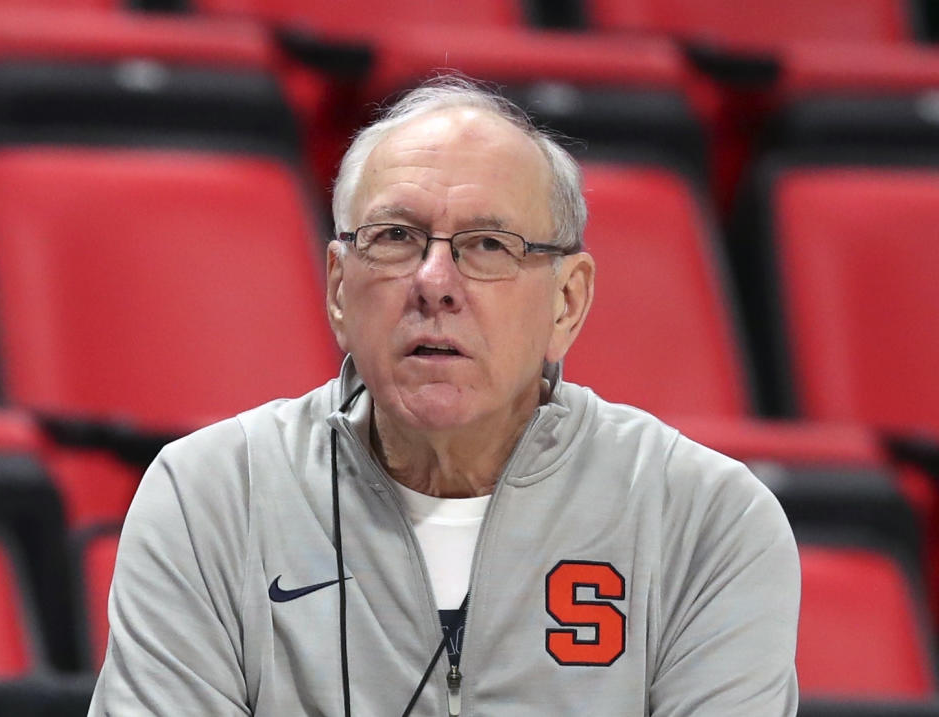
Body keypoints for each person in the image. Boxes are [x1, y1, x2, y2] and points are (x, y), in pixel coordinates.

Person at [89, 76, 799, 716]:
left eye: (489, 244)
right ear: (340, 288)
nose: (434, 281)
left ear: (567, 302)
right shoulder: (210, 500)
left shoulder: (704, 523)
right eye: (396, 237)